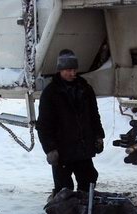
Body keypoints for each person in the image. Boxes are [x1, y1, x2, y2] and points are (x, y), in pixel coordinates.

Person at [36, 49, 105, 195]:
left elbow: (94, 115)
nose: (73, 73)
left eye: (74, 69)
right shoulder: (50, 93)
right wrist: (50, 149)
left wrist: (99, 136)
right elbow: (43, 125)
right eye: (68, 70)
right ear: (60, 70)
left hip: (83, 150)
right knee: (64, 190)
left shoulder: (85, 89)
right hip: (62, 153)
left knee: (88, 184)